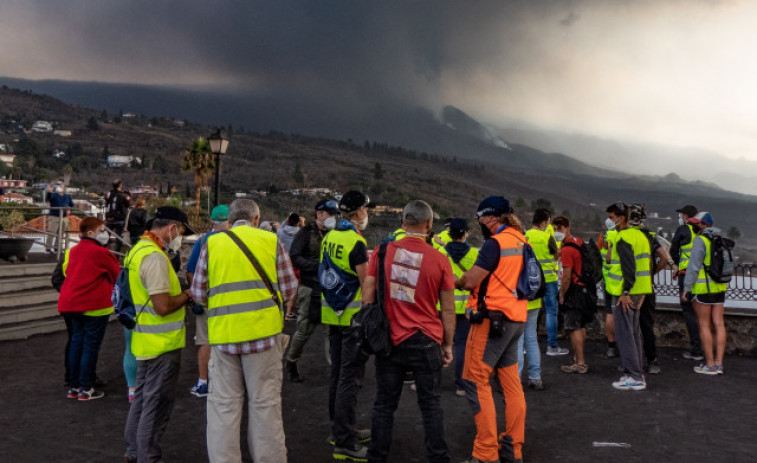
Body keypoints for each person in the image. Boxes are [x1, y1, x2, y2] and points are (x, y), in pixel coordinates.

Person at [190, 198, 294, 463]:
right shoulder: (271, 241)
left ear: (230, 220)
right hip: (264, 337)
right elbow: (289, 288)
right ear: (257, 219)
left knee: (223, 407)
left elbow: (199, 293)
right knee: (265, 405)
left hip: (224, 338)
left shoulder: (211, 244)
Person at [363, 200, 455, 463]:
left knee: (383, 405)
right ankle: (439, 458)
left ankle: (376, 458)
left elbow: (367, 294)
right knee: (431, 406)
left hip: (389, 340)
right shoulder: (440, 259)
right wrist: (447, 346)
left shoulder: (381, 253)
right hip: (426, 342)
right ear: (429, 225)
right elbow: (448, 310)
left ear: (403, 222)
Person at [458, 196, 527, 463]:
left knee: (476, 381)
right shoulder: (522, 240)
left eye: (480, 218)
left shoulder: (494, 244)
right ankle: (513, 449)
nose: (479, 223)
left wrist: (456, 280)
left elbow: (472, 279)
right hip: (516, 320)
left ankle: (486, 453)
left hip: (492, 322)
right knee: (511, 385)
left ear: (490, 218)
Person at [124, 206, 195, 463]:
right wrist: (188, 295)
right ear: (171, 228)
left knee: (142, 400)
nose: (181, 238)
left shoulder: (138, 250)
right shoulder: (154, 257)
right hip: (162, 345)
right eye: (182, 232)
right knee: (155, 406)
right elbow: (162, 306)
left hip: (146, 340)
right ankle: (148, 457)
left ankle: (133, 452)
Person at [320, 190, 373, 461]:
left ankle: (340, 429)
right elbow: (366, 285)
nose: (367, 214)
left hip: (332, 314)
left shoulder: (330, 236)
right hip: (352, 320)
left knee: (337, 377)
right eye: (366, 209)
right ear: (358, 213)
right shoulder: (356, 242)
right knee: (349, 380)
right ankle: (345, 442)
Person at [57, 217, 120, 400]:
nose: (105, 233)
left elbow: (67, 272)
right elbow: (117, 276)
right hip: (94, 305)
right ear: (91, 233)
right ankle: (86, 388)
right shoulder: (102, 253)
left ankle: (74, 386)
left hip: (70, 303)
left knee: (76, 343)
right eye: (102, 230)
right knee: (90, 346)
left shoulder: (72, 252)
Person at [285, 198, 339, 383]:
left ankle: (335, 368)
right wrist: (316, 267)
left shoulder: (335, 234)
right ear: (319, 214)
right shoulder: (306, 233)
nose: (331, 218)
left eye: (334, 214)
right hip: (310, 287)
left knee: (330, 331)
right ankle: (291, 361)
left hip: (329, 289)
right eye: (328, 214)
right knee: (304, 330)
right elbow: (294, 256)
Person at [604, 202, 650, 391]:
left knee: (625, 335)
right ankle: (637, 372)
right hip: (639, 291)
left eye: (612, 217)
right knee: (634, 334)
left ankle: (633, 376)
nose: (610, 221)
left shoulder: (623, 238)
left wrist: (624, 292)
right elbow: (645, 266)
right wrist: (641, 292)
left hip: (626, 293)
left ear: (622, 218)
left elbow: (628, 269)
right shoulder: (640, 236)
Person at [185, 205, 230, 398]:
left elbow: (190, 272)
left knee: (205, 341)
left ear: (212, 221)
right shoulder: (236, 242)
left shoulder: (203, 241)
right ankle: (228, 382)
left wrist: (197, 294)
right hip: (231, 300)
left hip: (207, 300)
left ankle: (203, 381)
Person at [682, 212, 727, 375]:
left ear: (703, 225)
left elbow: (693, 267)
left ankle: (709, 364)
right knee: (719, 324)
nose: (694, 225)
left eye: (696, 223)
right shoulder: (720, 240)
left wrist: (686, 288)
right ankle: (719, 364)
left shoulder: (701, 240)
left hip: (703, 290)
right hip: (720, 289)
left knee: (704, 325)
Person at [438, 218, 478, 396]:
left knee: (437, 344)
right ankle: (461, 385)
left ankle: (431, 381)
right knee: (462, 346)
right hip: (465, 307)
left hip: (443, 306)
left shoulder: (440, 253)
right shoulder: (475, 254)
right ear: (466, 233)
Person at [629, 204, 668, 375]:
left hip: (631, 287)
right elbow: (664, 258)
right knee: (646, 325)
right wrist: (651, 273)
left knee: (630, 325)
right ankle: (652, 361)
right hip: (648, 287)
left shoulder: (626, 236)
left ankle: (633, 362)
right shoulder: (650, 236)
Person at [554, 216, 590, 374]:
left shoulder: (567, 249)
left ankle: (580, 362)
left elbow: (567, 276)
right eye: (555, 229)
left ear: (567, 227)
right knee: (580, 326)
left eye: (559, 229)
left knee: (573, 327)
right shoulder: (578, 242)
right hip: (584, 289)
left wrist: (562, 293)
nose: (557, 232)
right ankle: (578, 358)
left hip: (574, 291)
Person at [528, 209, 566, 357]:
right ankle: (552, 346)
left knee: (530, 312)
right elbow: (556, 256)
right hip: (549, 279)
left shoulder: (525, 236)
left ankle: (526, 345)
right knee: (551, 311)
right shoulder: (547, 237)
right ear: (544, 222)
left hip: (531, 280)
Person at [671, 205, 704, 361]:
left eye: (682, 215)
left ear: (686, 216)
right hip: (704, 278)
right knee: (703, 314)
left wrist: (679, 265)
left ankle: (696, 350)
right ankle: (708, 349)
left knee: (689, 312)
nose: (681, 218)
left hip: (686, 276)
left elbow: (673, 251)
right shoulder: (702, 231)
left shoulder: (683, 230)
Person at [598, 218, 619, 358]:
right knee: (622, 315)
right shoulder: (618, 235)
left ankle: (611, 345)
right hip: (619, 280)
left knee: (609, 312)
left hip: (607, 279)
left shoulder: (603, 237)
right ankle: (623, 346)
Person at [46, 184, 74, 252]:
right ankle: (48, 247)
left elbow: (72, 205)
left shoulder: (67, 196)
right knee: (52, 232)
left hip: (64, 217)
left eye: (61, 187)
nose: (60, 188)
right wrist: (49, 191)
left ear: (64, 189)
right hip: (54, 216)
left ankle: (57, 247)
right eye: (59, 187)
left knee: (60, 233)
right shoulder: (54, 195)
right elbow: (49, 198)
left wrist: (69, 209)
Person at [106, 179, 131, 252]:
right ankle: (116, 255)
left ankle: (104, 251)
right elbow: (128, 204)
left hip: (109, 218)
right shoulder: (124, 195)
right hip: (119, 219)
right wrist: (128, 195)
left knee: (106, 237)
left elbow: (106, 199)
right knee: (119, 239)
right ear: (120, 185)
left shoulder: (108, 194)